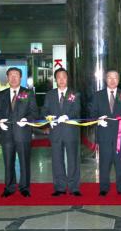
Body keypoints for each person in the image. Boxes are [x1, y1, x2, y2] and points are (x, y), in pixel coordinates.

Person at [0, 67, 38, 198]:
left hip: (23, 133)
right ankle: (9, 187)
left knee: (24, 161)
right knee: (8, 162)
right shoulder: (1, 95)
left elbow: (35, 113)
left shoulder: (28, 93)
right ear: (7, 78)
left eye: (16, 75)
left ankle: (24, 187)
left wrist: (27, 119)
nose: (13, 78)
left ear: (21, 77)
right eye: (11, 75)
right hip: (7, 133)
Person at [90, 70, 121, 196]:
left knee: (120, 162)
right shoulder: (98, 95)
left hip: (120, 135)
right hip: (104, 134)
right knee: (104, 162)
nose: (112, 80)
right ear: (106, 79)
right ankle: (104, 188)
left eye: (115, 78)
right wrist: (97, 120)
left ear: (119, 80)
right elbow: (92, 113)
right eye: (110, 78)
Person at [41, 68, 82, 196]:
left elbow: (77, 110)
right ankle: (60, 187)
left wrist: (67, 116)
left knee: (73, 160)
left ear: (67, 78)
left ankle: (74, 187)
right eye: (59, 77)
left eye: (64, 77)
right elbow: (44, 110)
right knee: (57, 160)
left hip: (71, 131)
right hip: (56, 132)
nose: (62, 80)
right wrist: (48, 118)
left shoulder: (74, 94)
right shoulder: (50, 94)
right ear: (55, 80)